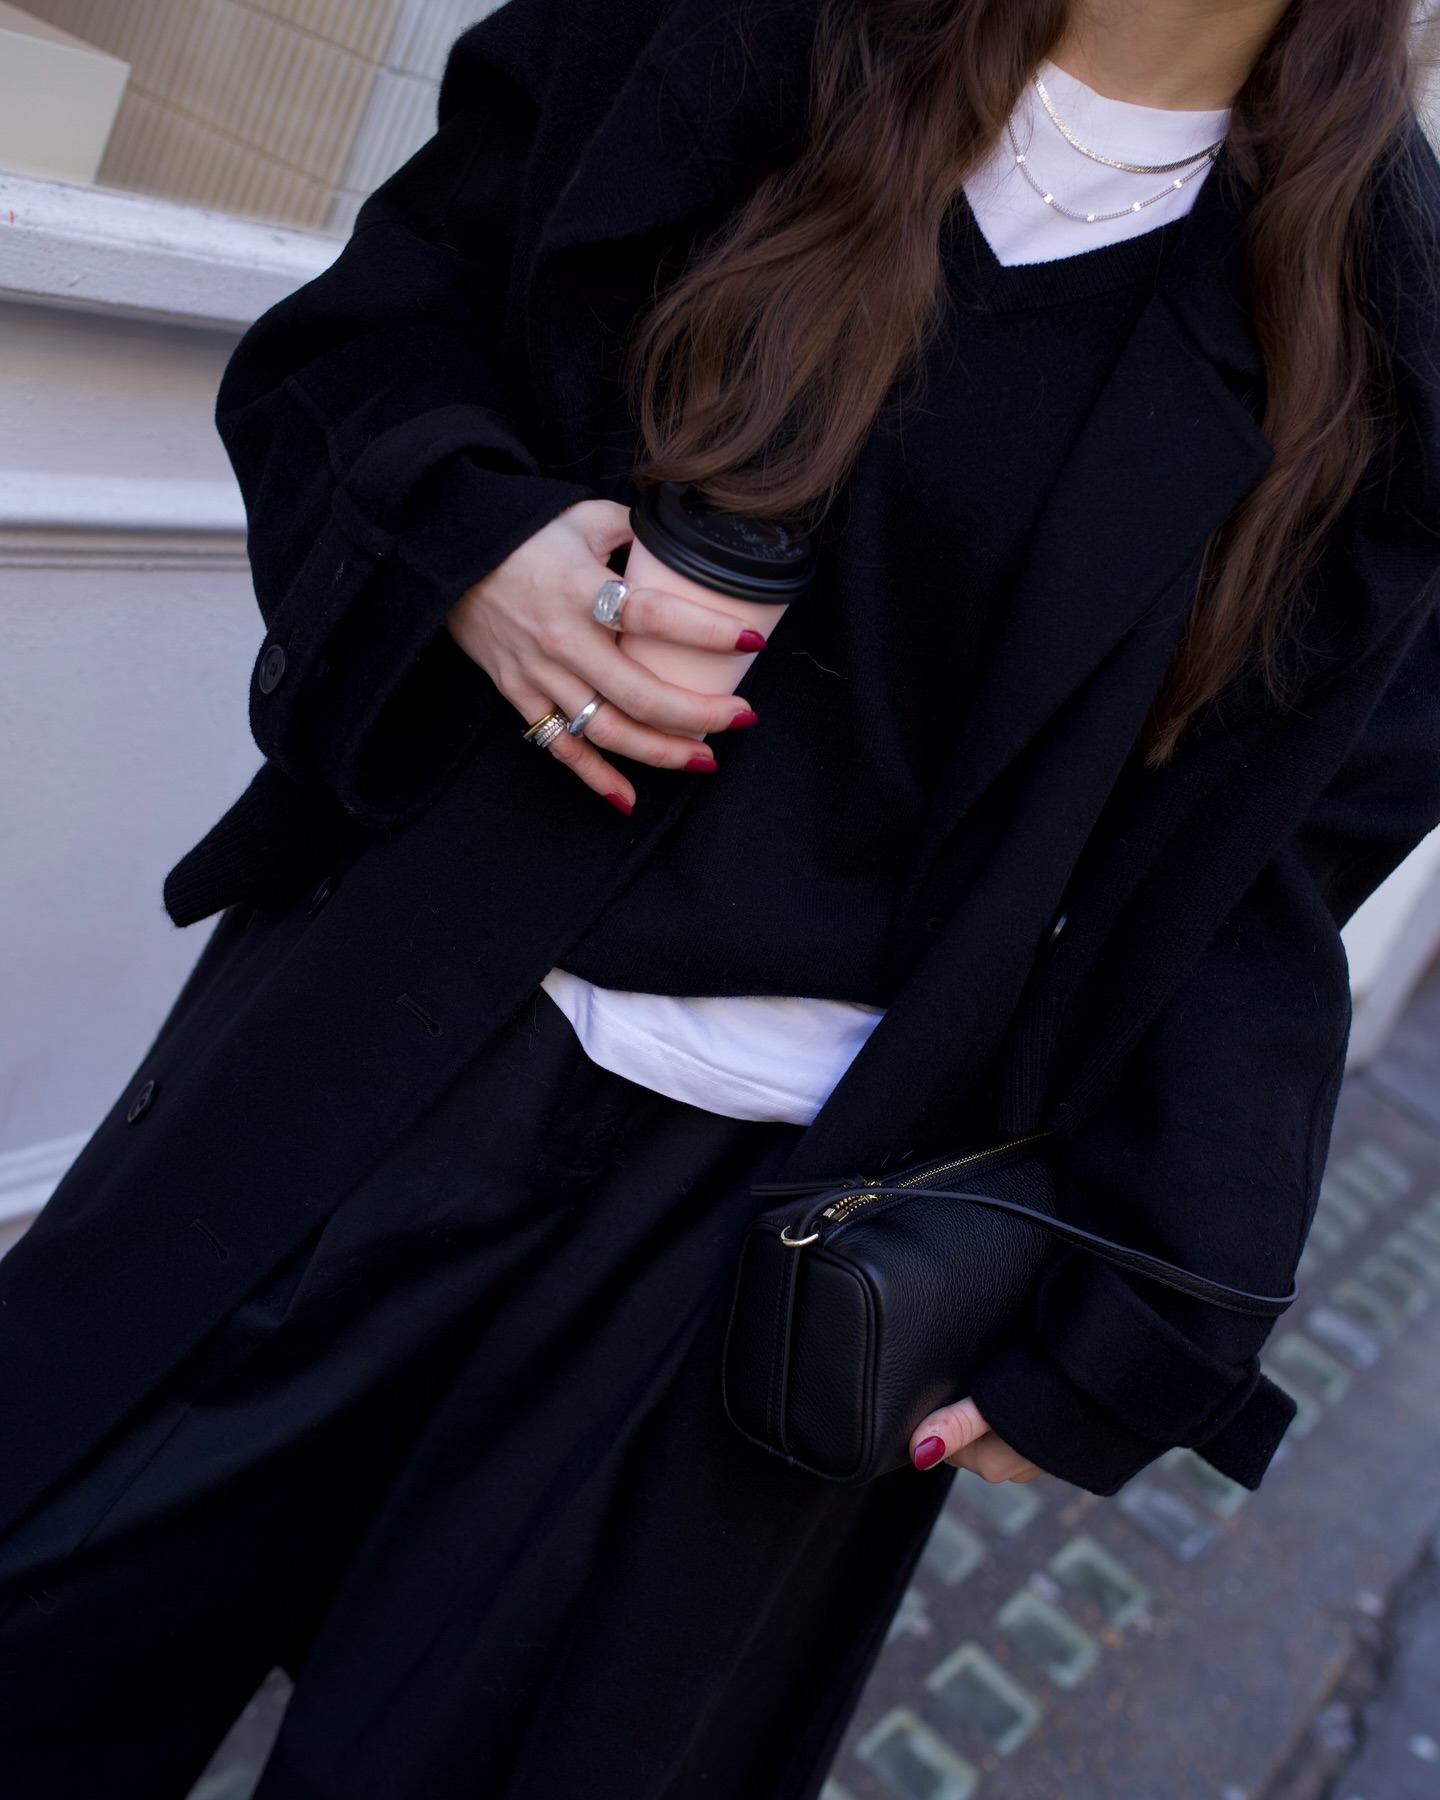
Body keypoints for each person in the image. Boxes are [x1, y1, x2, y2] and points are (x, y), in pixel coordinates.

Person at [2, 0, 1439, 1792]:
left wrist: (1153, 1307)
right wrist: (478, 550)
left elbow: (1271, 862)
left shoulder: (1379, 322)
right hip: (382, 1063)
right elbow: (374, 325)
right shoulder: (742, 30)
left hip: (771, 1242)